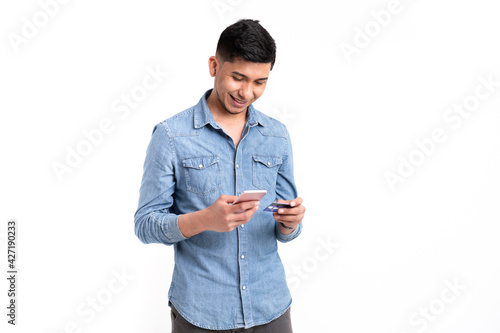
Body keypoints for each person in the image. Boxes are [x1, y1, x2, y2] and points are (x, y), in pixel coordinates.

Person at [134, 19, 305, 332]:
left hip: (271, 308)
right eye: (238, 78)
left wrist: (290, 222)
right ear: (214, 66)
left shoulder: (277, 136)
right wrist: (204, 220)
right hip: (201, 312)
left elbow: (287, 230)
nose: (247, 92)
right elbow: (145, 225)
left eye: (260, 82)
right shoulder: (171, 136)